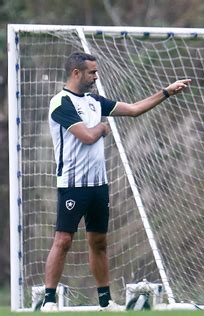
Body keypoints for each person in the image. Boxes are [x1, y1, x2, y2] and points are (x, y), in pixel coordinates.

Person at [41, 51, 191, 312]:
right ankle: (49, 300)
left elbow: (133, 110)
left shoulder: (94, 101)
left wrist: (166, 92)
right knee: (63, 240)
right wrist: (102, 128)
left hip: (99, 186)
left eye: (96, 71)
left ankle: (105, 301)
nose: (96, 76)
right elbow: (87, 136)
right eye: (91, 72)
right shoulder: (61, 102)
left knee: (99, 242)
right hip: (73, 185)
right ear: (76, 73)